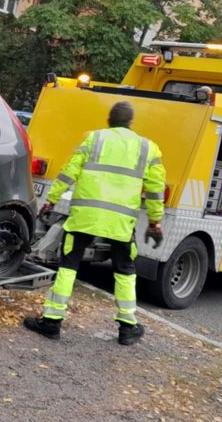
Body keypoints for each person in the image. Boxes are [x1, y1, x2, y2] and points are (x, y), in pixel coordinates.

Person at [23, 101, 166, 346]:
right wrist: (155, 221)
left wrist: (51, 201)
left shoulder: (94, 139)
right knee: (124, 269)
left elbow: (69, 172)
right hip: (120, 222)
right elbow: (155, 189)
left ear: (109, 119)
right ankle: (128, 326)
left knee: (69, 265)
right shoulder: (148, 148)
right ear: (131, 123)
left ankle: (52, 321)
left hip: (85, 217)